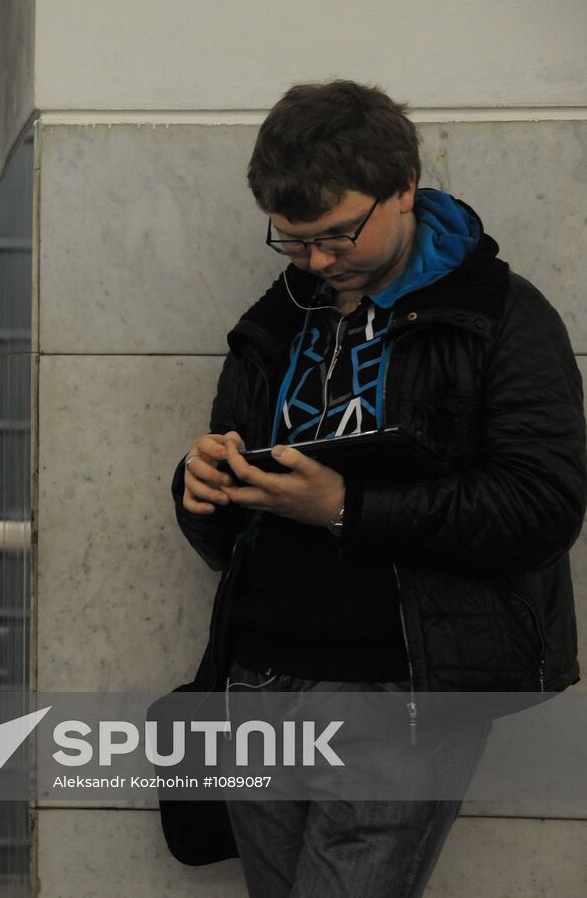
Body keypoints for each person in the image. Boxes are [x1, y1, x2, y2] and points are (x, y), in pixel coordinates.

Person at [173, 81, 585, 896]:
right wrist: (202, 489)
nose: (318, 264)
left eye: (336, 237)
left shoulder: (499, 317)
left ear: (404, 188)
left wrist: (345, 507)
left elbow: (543, 505)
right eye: (293, 243)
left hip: (397, 693)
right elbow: (229, 535)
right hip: (258, 679)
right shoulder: (279, 318)